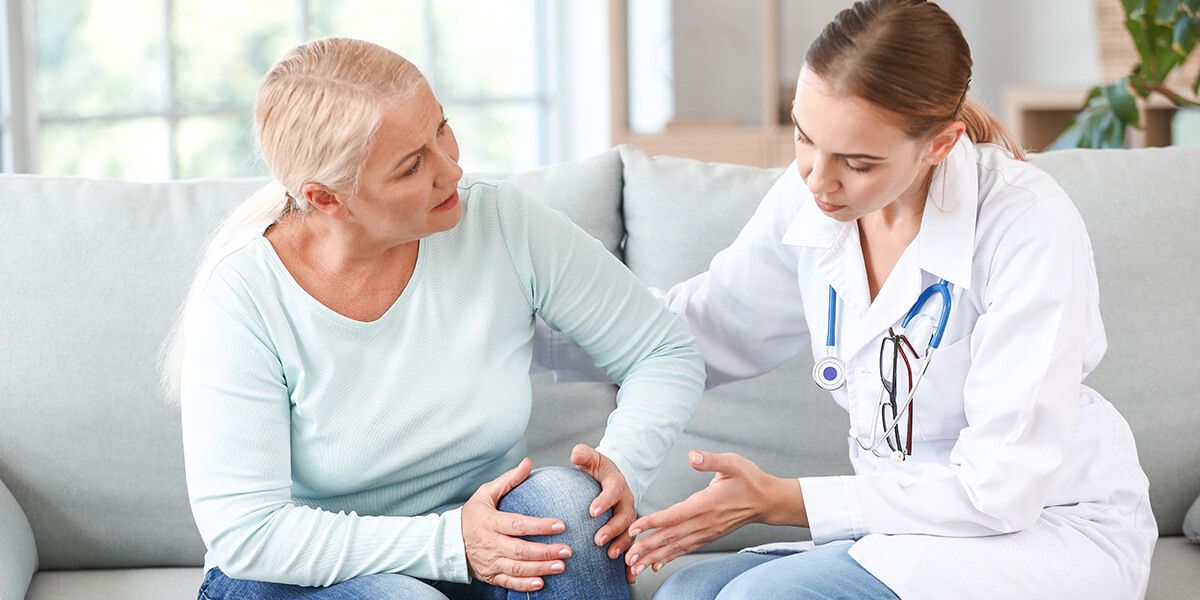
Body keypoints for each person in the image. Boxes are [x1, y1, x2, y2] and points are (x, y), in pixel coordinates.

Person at [603, 1, 1156, 598]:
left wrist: (783, 500)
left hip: (1041, 526)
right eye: (804, 137)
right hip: (904, 529)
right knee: (687, 591)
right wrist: (537, 316)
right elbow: (708, 326)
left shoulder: (1027, 223)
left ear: (940, 145)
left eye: (858, 162)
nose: (817, 178)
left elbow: (1001, 488)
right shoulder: (814, 197)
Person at [164, 38, 705, 599]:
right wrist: (451, 544)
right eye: (411, 166)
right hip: (296, 573)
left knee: (570, 510)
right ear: (327, 199)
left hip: (477, 538)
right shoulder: (244, 294)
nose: (452, 170)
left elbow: (664, 350)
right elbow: (249, 535)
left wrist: (623, 465)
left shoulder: (500, 223)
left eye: (441, 130)